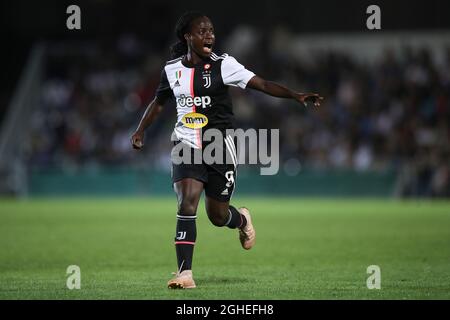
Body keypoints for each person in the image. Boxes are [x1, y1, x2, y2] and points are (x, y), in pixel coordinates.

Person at [131, 11, 323, 289]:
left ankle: (242, 219)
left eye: (211, 30)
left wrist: (295, 95)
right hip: (185, 143)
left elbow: (263, 84)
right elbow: (159, 103)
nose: (209, 35)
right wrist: (140, 130)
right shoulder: (172, 70)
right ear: (188, 36)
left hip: (219, 146)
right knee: (187, 201)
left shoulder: (225, 65)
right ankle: (185, 274)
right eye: (202, 31)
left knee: (218, 216)